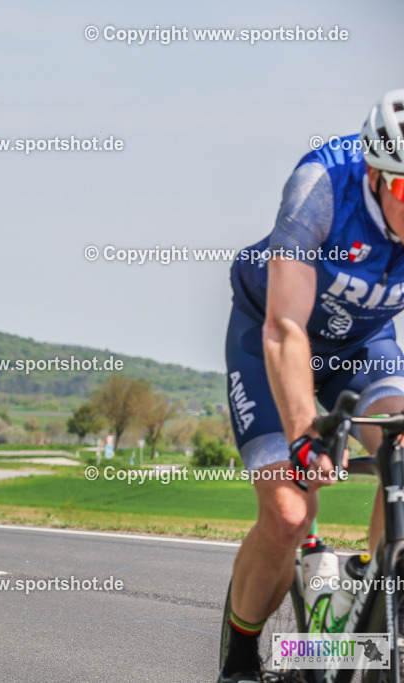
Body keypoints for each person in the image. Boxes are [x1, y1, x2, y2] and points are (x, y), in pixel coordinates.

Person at [220, 89, 404, 682]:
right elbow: (285, 327)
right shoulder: (322, 187)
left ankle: (367, 620)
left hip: (362, 346)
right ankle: (242, 657)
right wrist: (305, 434)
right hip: (273, 335)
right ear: (377, 176)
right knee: (290, 510)